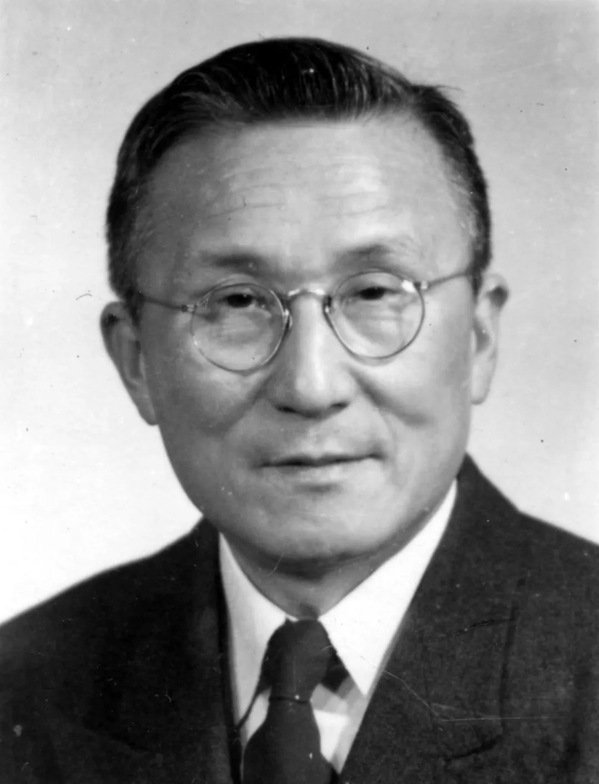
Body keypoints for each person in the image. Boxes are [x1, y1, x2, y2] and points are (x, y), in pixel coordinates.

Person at [1, 37, 597, 784]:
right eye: (236, 303)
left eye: (375, 292)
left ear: (478, 337)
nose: (311, 386)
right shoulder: (23, 688)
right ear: (137, 361)